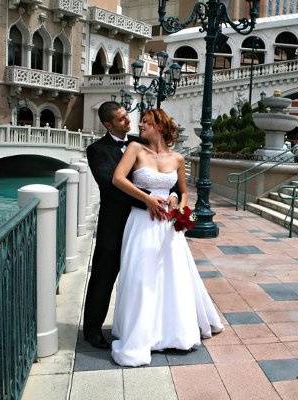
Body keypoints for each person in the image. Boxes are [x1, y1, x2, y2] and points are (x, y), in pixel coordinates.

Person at [110, 109, 223, 367]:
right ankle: (141, 334)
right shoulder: (135, 150)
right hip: (142, 223)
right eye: (142, 124)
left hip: (168, 227)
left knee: (171, 278)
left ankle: (172, 333)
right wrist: (147, 197)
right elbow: (117, 179)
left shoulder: (178, 158)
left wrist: (177, 203)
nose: (141, 127)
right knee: (142, 278)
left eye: (147, 123)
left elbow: (183, 193)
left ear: (159, 126)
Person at [83, 102, 180, 349]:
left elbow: (170, 177)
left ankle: (144, 327)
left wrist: (172, 198)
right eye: (121, 119)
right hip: (115, 225)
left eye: (128, 116)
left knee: (144, 278)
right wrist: (148, 198)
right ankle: (92, 331)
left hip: (147, 226)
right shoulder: (97, 150)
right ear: (108, 124)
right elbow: (109, 184)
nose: (129, 121)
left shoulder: (142, 142)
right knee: (103, 277)